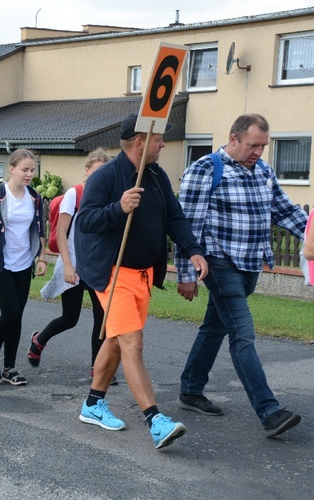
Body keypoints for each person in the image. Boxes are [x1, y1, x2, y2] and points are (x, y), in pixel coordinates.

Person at [73, 114, 208, 449]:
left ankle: (92, 404)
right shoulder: (105, 177)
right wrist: (118, 208)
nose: (163, 144)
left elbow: (174, 217)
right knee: (132, 342)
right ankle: (156, 421)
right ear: (140, 142)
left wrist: (192, 251)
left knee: (117, 340)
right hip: (112, 274)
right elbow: (86, 221)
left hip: (143, 276)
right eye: (160, 139)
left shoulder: (157, 176)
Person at [175, 114, 307, 438]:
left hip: (251, 264)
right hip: (218, 263)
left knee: (214, 327)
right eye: (253, 145)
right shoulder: (205, 169)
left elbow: (285, 210)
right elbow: (185, 226)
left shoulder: (263, 171)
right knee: (242, 334)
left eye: (263, 146)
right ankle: (269, 411)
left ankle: (191, 389)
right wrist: (185, 273)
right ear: (233, 139)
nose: (259, 152)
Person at [29, 148, 115, 384]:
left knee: (102, 319)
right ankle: (39, 340)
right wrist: (67, 266)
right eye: (96, 171)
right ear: (87, 170)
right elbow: (61, 231)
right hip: (74, 264)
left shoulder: (108, 196)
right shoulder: (74, 194)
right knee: (70, 318)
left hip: (98, 267)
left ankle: (97, 368)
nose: (100, 176)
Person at [0, 148, 47, 387]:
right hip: (0, 265)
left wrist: (42, 257)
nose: (29, 174)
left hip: (23, 264)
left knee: (17, 316)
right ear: (12, 169)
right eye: (24, 169)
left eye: (32, 170)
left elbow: (39, 230)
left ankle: (9, 367)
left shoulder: (34, 197)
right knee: (10, 311)